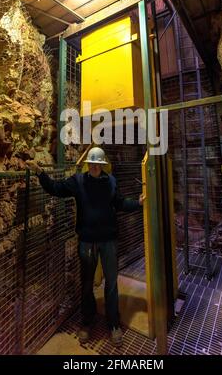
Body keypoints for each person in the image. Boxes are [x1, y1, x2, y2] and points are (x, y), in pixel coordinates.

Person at [26, 147, 145, 347]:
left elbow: (120, 203)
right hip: (87, 241)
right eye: (92, 163)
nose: (95, 167)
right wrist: (40, 172)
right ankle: (87, 321)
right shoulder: (78, 181)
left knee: (112, 284)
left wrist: (138, 203)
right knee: (87, 283)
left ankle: (114, 324)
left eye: (97, 164)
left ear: (101, 164)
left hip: (108, 241)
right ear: (88, 164)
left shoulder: (111, 182)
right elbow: (56, 188)